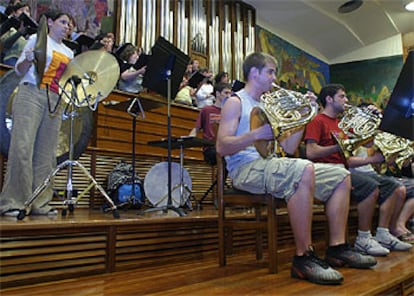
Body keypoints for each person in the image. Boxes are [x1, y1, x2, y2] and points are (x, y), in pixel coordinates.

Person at [216, 52, 376, 285]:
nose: (274, 77)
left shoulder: (268, 106)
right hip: (245, 168)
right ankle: (304, 258)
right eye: (270, 71)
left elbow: (290, 148)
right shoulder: (235, 102)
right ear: (254, 73)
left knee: (341, 175)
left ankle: (337, 247)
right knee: (303, 169)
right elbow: (221, 146)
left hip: (271, 165)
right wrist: (255, 135)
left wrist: (303, 117)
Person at [304, 84, 412, 256]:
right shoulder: (318, 121)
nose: (346, 100)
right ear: (329, 99)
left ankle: (383, 233)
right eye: (342, 96)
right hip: (327, 171)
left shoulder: (342, 123)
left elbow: (369, 143)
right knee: (369, 186)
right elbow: (310, 152)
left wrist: (376, 119)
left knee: (394, 186)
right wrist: (337, 148)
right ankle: (363, 238)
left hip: (344, 170)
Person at [0, 9, 74, 216]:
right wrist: (27, 59)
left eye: (69, 24)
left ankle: (39, 202)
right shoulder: (36, 39)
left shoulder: (69, 53)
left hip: (55, 100)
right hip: (31, 93)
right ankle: (13, 202)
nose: (67, 26)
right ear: (49, 22)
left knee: (46, 154)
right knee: (22, 147)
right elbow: (19, 70)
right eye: (63, 21)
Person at [189, 82, 231, 165]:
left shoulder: (230, 112)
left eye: (230, 93)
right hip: (211, 148)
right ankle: (220, 178)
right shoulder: (206, 110)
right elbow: (196, 129)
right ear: (218, 93)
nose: (229, 96)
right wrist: (186, 141)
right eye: (226, 93)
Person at [0, 2, 33, 66]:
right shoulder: (8, 26)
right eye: (21, 10)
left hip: (25, 58)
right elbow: (4, 45)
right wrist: (19, 33)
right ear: (14, 13)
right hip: (10, 57)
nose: (25, 13)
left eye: (27, 11)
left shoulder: (30, 29)